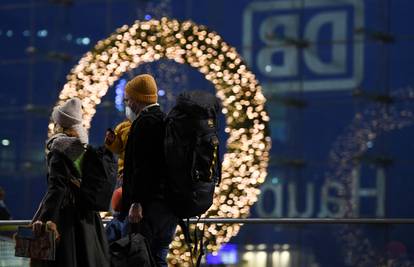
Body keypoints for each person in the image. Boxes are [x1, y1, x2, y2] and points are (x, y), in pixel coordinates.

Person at [31, 98, 110, 267]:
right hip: (88, 219)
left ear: (60, 125)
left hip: (67, 219)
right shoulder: (82, 147)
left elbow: (57, 188)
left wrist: (45, 219)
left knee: (65, 259)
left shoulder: (59, 149)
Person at [121, 74, 177, 267]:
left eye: (127, 99)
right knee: (159, 258)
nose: (126, 104)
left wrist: (136, 202)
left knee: (139, 258)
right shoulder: (165, 119)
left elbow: (143, 167)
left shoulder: (144, 123)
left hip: (148, 209)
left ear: (137, 100)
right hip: (169, 207)